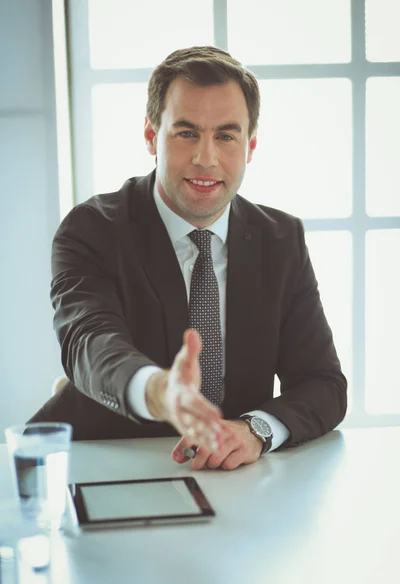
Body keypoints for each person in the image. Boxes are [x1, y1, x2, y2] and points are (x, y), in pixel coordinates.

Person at [29, 46, 347, 470]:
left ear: (250, 145)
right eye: (186, 133)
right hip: (96, 463)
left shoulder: (281, 239)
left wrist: (256, 430)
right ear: (150, 136)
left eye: (226, 136)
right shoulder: (91, 231)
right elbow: (89, 342)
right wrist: (161, 391)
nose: (206, 158)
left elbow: (322, 383)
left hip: (232, 481)